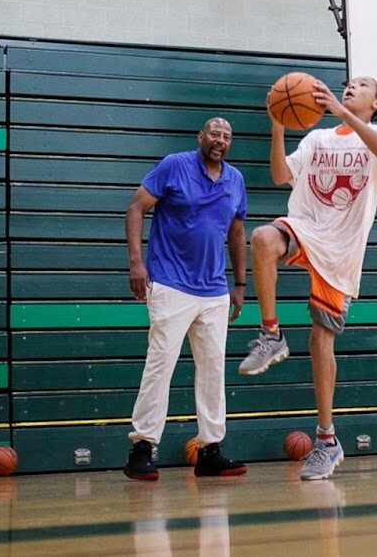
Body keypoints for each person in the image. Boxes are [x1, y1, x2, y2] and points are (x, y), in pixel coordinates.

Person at [239, 76, 377, 480]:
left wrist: (342, 112)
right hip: (307, 227)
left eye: (361, 85)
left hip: (342, 249)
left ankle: (326, 440)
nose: (349, 87)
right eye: (347, 83)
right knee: (261, 238)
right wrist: (277, 121)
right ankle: (271, 334)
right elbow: (279, 174)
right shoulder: (316, 139)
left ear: (376, 103)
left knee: (320, 339)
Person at [123, 117, 249, 481]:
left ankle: (210, 450)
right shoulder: (174, 165)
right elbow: (135, 208)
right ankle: (142, 448)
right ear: (200, 137)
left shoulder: (235, 180)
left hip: (214, 290)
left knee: (213, 370)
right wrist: (135, 262)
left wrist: (239, 284)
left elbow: (237, 232)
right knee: (160, 365)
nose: (220, 140)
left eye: (226, 135)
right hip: (169, 283)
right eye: (214, 133)